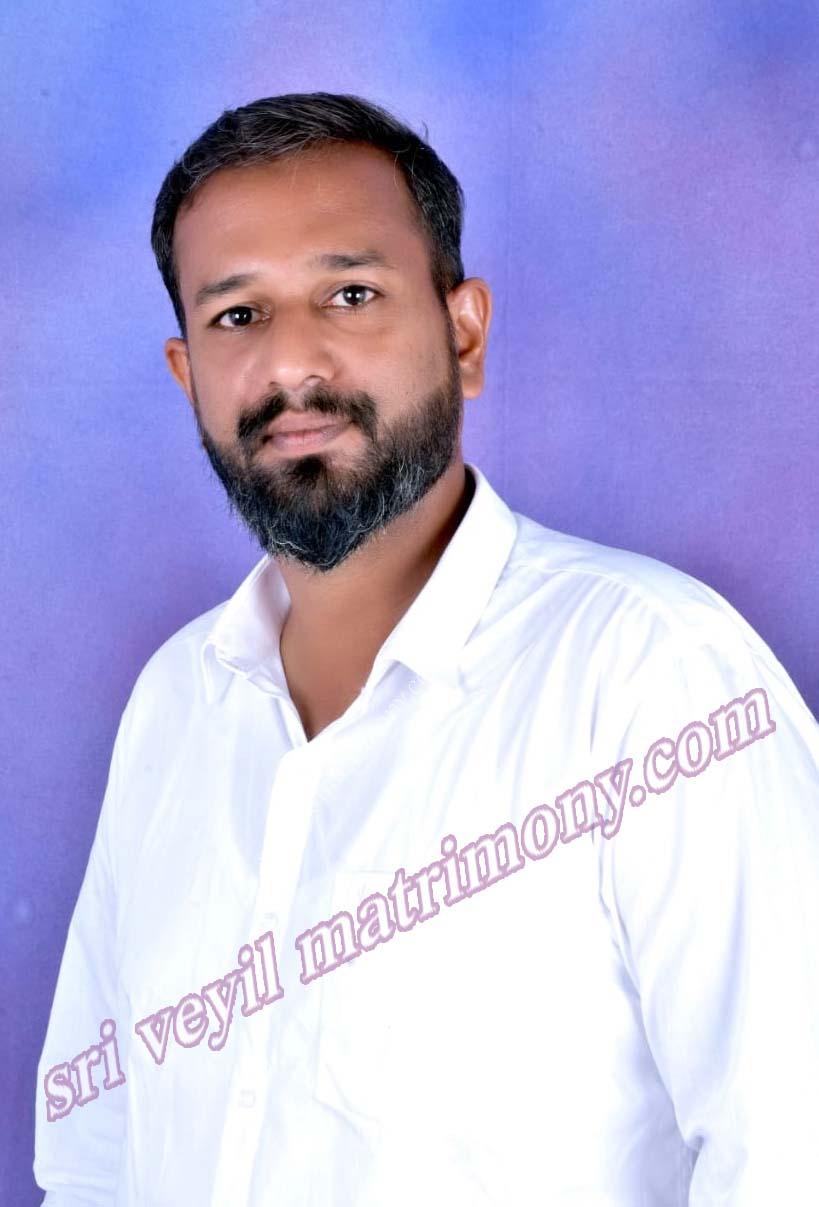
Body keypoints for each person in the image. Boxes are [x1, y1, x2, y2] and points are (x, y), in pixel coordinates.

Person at [34, 92, 819, 1206]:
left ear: (464, 334)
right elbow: (95, 1163)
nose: (291, 363)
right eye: (238, 315)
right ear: (185, 372)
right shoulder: (175, 705)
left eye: (350, 295)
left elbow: (791, 1153)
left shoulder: (656, 680)